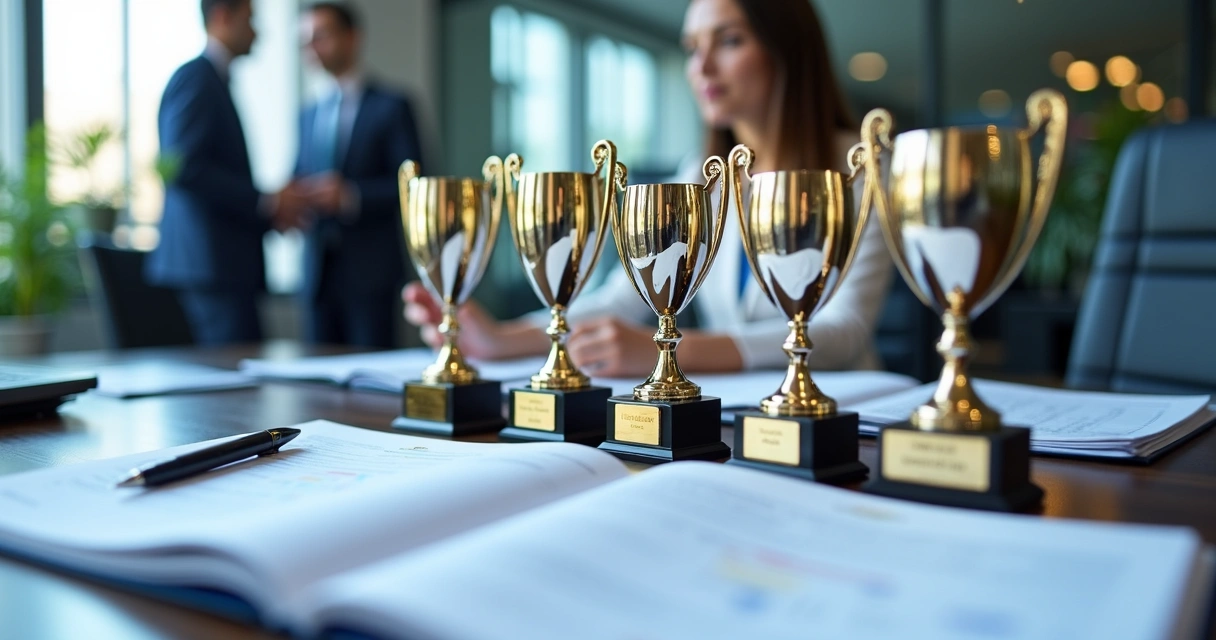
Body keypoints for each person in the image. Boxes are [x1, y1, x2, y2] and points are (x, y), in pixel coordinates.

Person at [404, 0, 892, 376]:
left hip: (845, 416)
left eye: (729, 41)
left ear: (787, 47)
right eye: (692, 47)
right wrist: (499, 338)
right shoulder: (700, 174)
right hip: (738, 417)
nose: (701, 68)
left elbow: (844, 330)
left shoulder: (862, 168)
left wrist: (673, 349)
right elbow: (623, 298)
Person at [147, 0, 305, 345]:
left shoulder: (212, 80)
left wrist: (271, 211)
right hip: (211, 267)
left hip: (220, 265)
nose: (256, 31)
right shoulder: (197, 78)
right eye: (249, 20)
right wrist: (266, 201)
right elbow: (185, 168)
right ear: (222, 16)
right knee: (235, 380)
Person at [295, 1, 424, 348]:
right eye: (306, 40)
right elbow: (298, 175)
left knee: (371, 382)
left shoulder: (393, 107)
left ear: (352, 38)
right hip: (318, 274)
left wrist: (351, 196)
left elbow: (415, 186)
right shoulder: (307, 114)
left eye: (321, 37)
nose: (312, 49)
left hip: (371, 274)